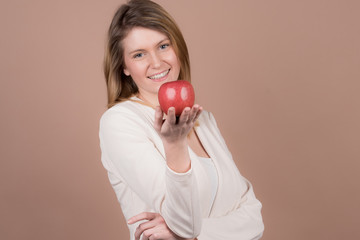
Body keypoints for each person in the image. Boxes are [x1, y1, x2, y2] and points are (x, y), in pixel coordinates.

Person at [99, 0, 264, 239]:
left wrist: (193, 234)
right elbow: (185, 225)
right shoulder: (119, 122)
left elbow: (254, 218)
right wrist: (174, 145)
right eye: (139, 54)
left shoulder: (204, 121)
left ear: (178, 48)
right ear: (124, 66)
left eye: (163, 46)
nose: (156, 62)